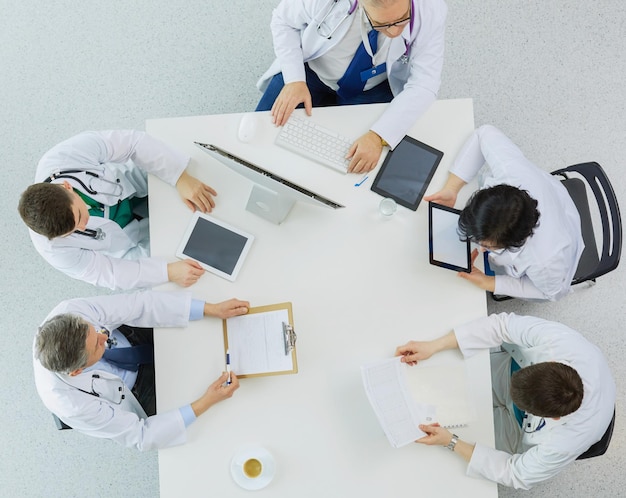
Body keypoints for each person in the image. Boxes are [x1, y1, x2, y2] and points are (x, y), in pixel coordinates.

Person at [395, 313, 615, 490]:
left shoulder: (564, 441)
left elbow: (517, 474)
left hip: (519, 429)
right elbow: (502, 325)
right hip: (515, 372)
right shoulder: (556, 342)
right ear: (547, 362)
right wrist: (435, 345)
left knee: (466, 436)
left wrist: (452, 442)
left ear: (553, 418)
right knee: (450, 388)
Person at [33, 290, 250, 451]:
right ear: (77, 372)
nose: (105, 337)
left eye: (96, 330)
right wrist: (207, 401)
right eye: (97, 345)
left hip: (133, 339)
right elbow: (141, 435)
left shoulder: (70, 312)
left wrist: (209, 309)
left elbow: (138, 305)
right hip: (136, 392)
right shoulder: (71, 405)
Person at [256, 0, 447, 173]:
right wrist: (294, 78)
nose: (395, 32)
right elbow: (283, 20)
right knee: (261, 136)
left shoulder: (431, 9)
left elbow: (424, 83)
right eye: (381, 24)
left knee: (343, 162)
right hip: (310, 73)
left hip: (371, 87)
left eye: (402, 19)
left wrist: (378, 135)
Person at [18, 130, 218, 290]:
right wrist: (168, 272)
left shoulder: (63, 158)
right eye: (74, 231)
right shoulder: (53, 250)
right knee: (191, 258)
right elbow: (109, 273)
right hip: (127, 241)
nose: (83, 225)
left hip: (132, 182)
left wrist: (180, 177)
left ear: (67, 187)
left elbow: (133, 143)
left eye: (79, 215)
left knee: (205, 184)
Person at [425, 125, 584, 301]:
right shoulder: (511, 172)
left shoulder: (544, 262)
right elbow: (484, 133)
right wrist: (452, 188)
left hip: (565, 235)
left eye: (489, 246)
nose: (481, 248)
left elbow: (551, 292)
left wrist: (490, 282)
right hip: (554, 197)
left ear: (517, 241)